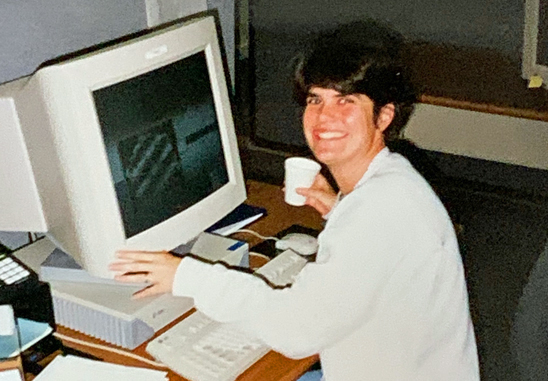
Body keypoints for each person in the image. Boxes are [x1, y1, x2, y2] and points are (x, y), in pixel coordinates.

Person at [110, 20, 480, 381]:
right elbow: (378, 258)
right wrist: (340, 209)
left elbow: (296, 332)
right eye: (315, 99)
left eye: (346, 100)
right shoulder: (393, 181)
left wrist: (186, 276)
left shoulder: (379, 211)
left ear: (384, 116)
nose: (324, 117)